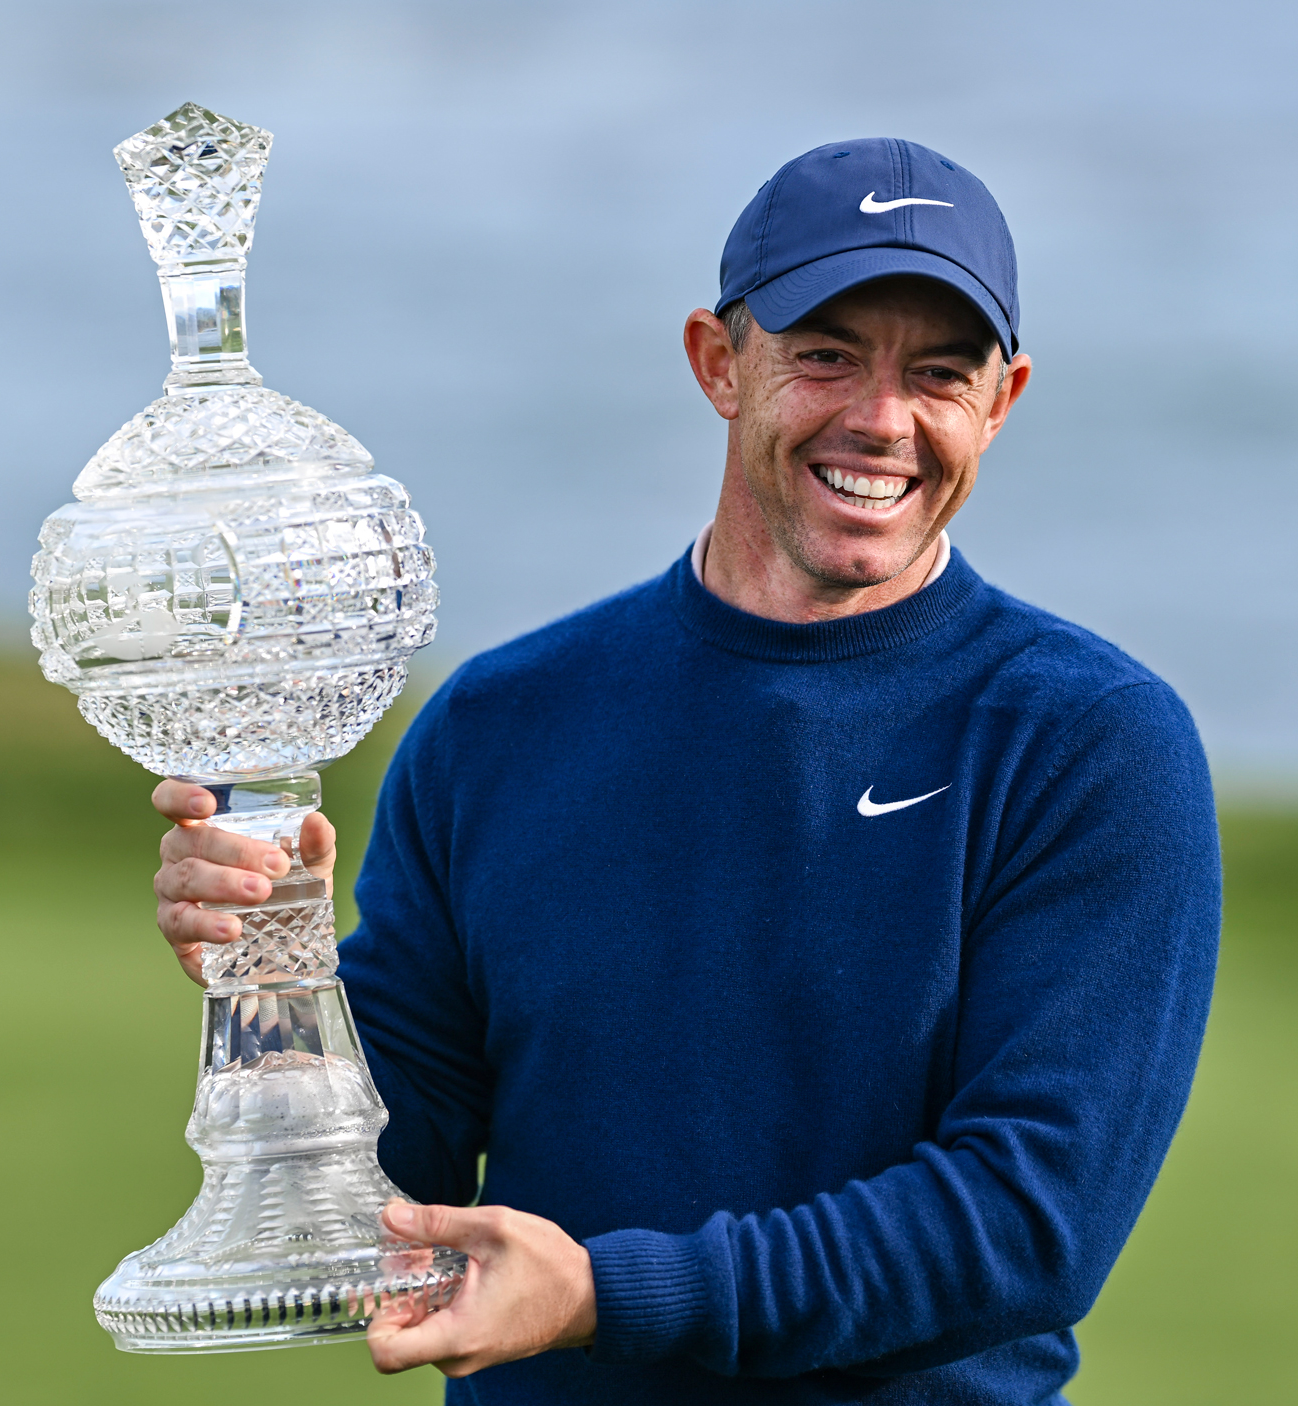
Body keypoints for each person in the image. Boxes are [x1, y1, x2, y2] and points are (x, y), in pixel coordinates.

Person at [149, 137, 1220, 1404]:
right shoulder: (501, 720)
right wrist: (272, 980)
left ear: (1003, 399)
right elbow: (379, 1194)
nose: (882, 418)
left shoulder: (1085, 741)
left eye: (938, 373)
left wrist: (609, 1295)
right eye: (825, 353)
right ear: (720, 361)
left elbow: (1026, 1223)